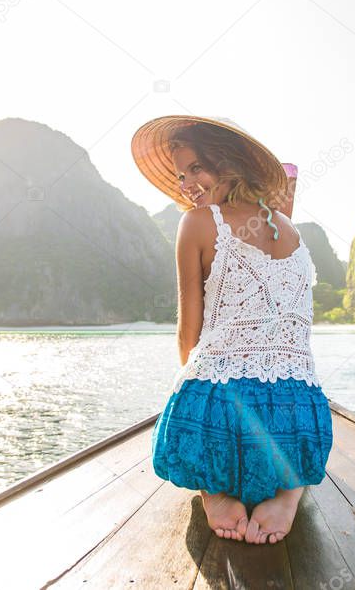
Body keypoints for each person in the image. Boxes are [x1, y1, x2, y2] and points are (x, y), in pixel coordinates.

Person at [131, 115, 333, 545]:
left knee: (186, 418)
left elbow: (190, 335)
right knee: (276, 423)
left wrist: (190, 407)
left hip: (225, 424)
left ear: (227, 163)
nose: (186, 183)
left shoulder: (198, 222)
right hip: (302, 425)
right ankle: (288, 490)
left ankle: (218, 489)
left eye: (195, 169)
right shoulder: (292, 229)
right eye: (181, 175)